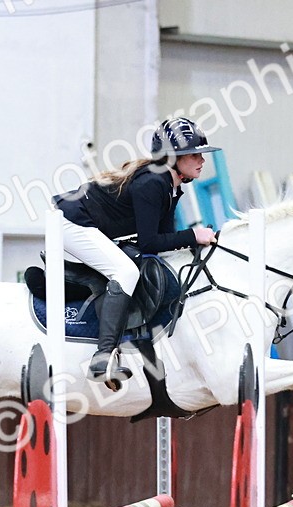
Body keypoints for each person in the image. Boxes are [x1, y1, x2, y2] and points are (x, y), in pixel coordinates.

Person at [54, 117, 220, 386]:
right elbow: (150, 243)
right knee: (125, 271)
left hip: (84, 223)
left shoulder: (171, 186)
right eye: (194, 154)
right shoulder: (153, 184)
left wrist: (190, 241)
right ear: (172, 157)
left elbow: (161, 243)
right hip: (70, 223)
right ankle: (103, 356)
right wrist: (193, 235)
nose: (202, 160)